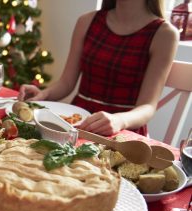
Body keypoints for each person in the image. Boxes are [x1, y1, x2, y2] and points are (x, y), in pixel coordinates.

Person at [18, 0, 179, 136]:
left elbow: (148, 107)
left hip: (123, 131)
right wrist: (43, 94)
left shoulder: (165, 34)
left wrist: (119, 120)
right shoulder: (86, 21)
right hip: (77, 122)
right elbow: (66, 83)